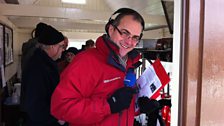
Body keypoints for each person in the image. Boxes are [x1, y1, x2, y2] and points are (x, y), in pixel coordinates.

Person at [51, 8, 146, 126]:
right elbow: (60, 107)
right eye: (125, 33)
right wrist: (108, 106)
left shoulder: (129, 65)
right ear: (111, 29)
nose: (129, 41)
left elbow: (122, 106)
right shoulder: (86, 61)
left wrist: (138, 108)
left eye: (135, 37)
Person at [21, 24, 66, 126]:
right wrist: (56, 118)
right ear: (52, 46)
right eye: (61, 46)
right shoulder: (38, 68)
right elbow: (35, 106)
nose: (63, 50)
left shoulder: (44, 62)